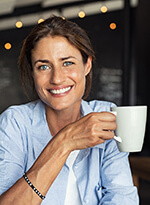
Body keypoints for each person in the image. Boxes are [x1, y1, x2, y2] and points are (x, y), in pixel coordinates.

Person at [0, 16, 139, 205]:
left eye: (67, 63)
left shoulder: (106, 116)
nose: (57, 78)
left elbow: (122, 197)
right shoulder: (15, 123)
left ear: (87, 65)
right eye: (44, 66)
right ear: (32, 73)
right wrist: (63, 143)